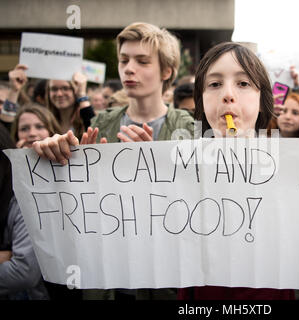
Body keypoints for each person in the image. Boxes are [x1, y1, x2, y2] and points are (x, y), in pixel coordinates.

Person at [32, 22, 194, 300]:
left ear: (167, 71)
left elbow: (196, 209)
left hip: (164, 279)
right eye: (123, 60)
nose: (129, 68)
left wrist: (155, 167)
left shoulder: (188, 129)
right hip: (106, 279)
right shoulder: (101, 122)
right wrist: (58, 160)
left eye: (142, 61)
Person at [180, 42, 295, 300]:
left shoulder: (292, 169)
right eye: (214, 84)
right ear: (201, 101)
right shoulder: (180, 167)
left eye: (243, 84)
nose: (228, 95)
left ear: (264, 101)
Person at [0, 123, 49, 300]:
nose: (32, 134)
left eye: (39, 126)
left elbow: (24, 271)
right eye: (25, 128)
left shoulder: (22, 199)